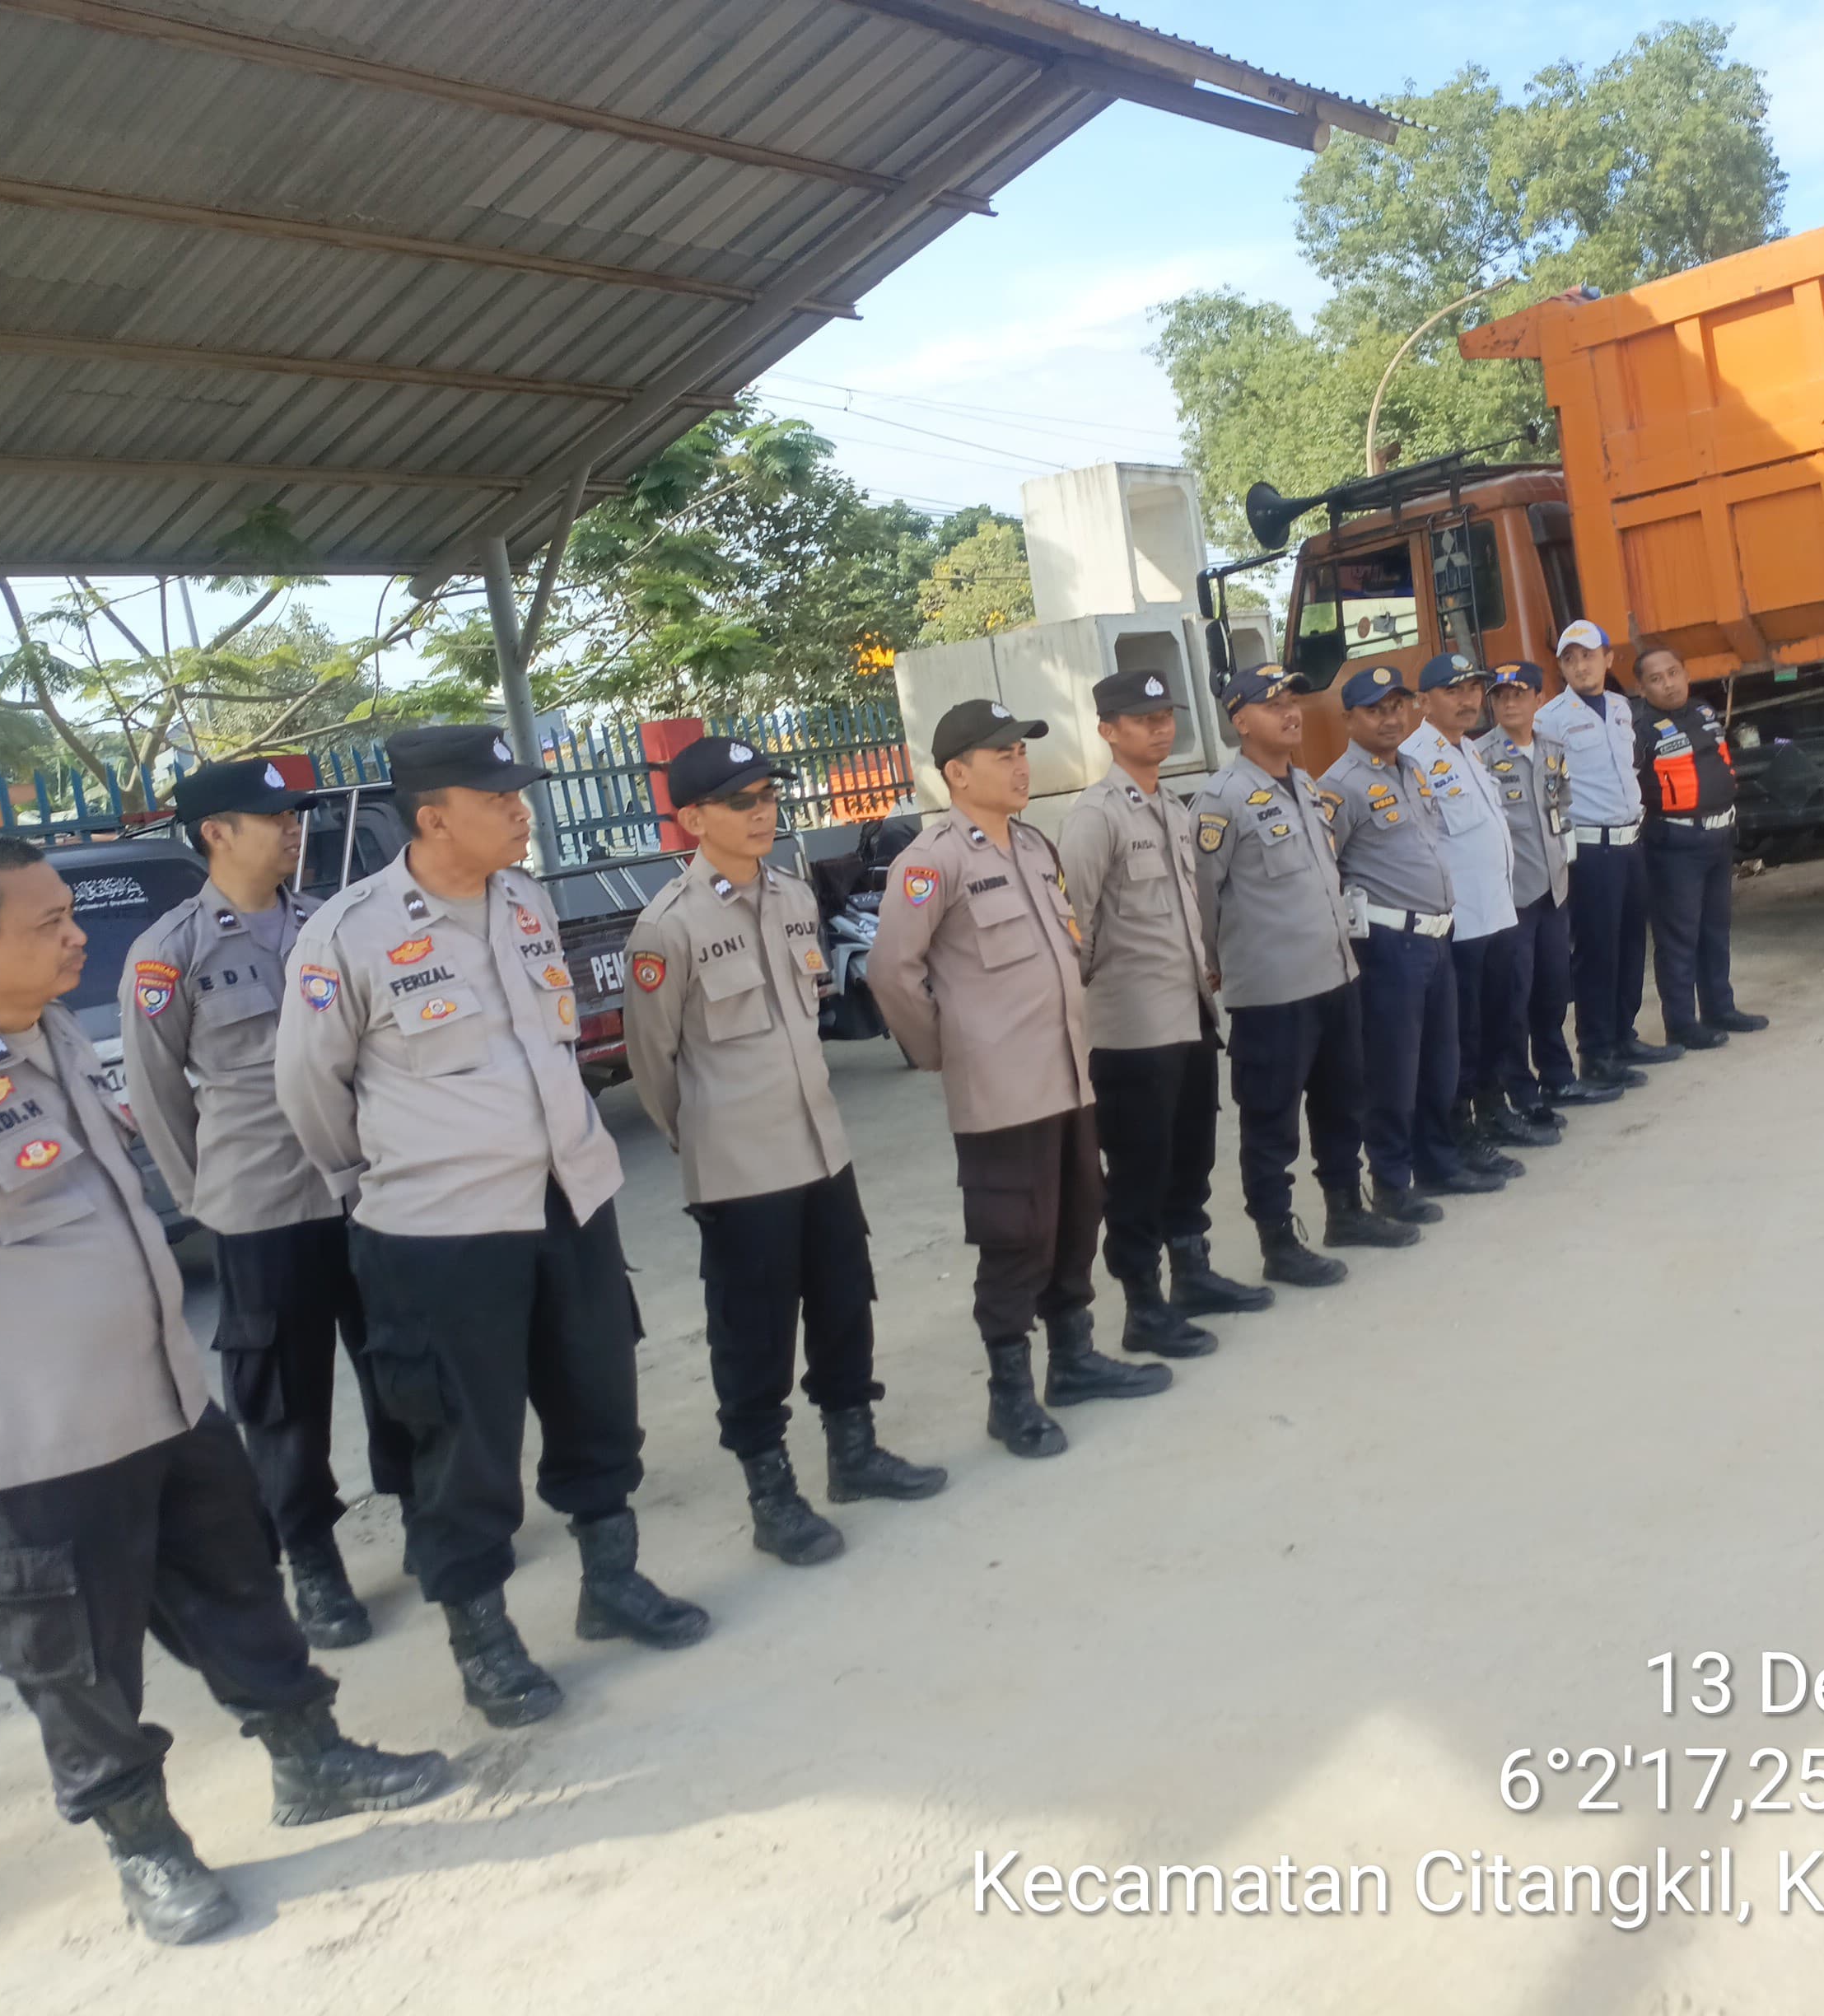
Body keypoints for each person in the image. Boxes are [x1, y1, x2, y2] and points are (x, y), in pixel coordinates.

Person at [0, 834, 449, 1947]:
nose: (76, 938)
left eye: (70, 914)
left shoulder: (51, 1033)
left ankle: (312, 1762)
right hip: (26, 1442)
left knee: (237, 1586)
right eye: (49, 924)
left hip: (158, 1400)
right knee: (75, 1658)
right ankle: (144, 1845)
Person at [278, 724, 706, 1730]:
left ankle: (612, 1583)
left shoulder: (522, 900)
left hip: (569, 1197)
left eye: (519, 794)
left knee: (598, 1399)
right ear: (433, 819)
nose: (522, 811)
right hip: (441, 1232)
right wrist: (384, 1179)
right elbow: (309, 1090)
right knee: (461, 1443)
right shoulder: (347, 935)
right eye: (498, 799)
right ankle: (483, 1642)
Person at [621, 735, 945, 1567]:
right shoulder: (667, 929)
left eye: (768, 796)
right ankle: (771, 1495)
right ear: (694, 819)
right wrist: (705, 1141)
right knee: (753, 1336)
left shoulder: (795, 898)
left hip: (821, 1149)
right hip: (739, 1169)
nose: (762, 812)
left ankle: (854, 1453)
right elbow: (654, 1067)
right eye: (742, 801)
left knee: (844, 1304)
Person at [123, 758, 412, 1650]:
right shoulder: (170, 954)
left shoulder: (330, 925)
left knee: (402, 1362)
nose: (293, 828)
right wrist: (206, 1198)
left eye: (295, 814)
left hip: (362, 1186)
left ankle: (430, 1517)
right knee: (283, 1400)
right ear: (216, 832)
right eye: (272, 816)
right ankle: (314, 1562)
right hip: (262, 1204)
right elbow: (157, 1096)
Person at [872, 698, 1170, 1462]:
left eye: (1021, 751)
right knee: (1014, 1237)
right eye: (1001, 754)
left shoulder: (1035, 847)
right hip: (1001, 1093)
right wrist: (946, 1051)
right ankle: (1011, 1399)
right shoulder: (931, 862)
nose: (1019, 765)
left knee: (1078, 1217)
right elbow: (892, 972)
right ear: (956, 772)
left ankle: (1073, 1360)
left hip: (1069, 1077)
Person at [1058, 668, 1271, 1358]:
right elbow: (1074, 930)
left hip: (1189, 1015)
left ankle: (1192, 1273)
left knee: (1190, 1156)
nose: (1159, 728)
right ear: (1107, 730)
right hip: (1132, 1031)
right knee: (1139, 1169)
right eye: (1142, 719)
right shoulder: (1095, 817)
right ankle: (1143, 1305)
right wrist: (1107, 998)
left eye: (1165, 716)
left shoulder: (1174, 808)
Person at [1188, 665, 1405, 1288]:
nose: (1290, 712)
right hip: (1272, 991)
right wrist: (1217, 962)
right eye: (1271, 703)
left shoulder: (1306, 785)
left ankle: (1345, 1211)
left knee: (1342, 1103)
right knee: (1271, 1122)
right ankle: (1278, 1242)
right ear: (1240, 720)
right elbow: (1200, 898)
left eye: (1292, 700)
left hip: (1334, 975)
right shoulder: (1221, 799)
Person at [1318, 665, 1502, 1219]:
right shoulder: (1338, 787)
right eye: (1375, 709)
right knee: (1393, 1071)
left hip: (1435, 937)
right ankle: (1393, 1183)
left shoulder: (1414, 769)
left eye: (1396, 705)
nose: (1389, 718)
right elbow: (1325, 870)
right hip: (1387, 944)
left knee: (1439, 1062)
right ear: (1348, 719)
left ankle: (1438, 1163)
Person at [1407, 651, 1542, 1166]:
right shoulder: (1415, 757)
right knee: (1461, 1033)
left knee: (1500, 1020)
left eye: (1471, 689)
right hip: (1461, 921)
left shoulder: (1470, 750)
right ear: (1424, 702)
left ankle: (1493, 1109)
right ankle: (1459, 1129)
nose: (1467, 700)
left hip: (1499, 911)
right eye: (1453, 691)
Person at [1473, 662, 1616, 1127]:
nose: (1509, 703)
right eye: (1500, 696)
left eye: (1518, 694)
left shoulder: (1553, 749)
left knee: (1553, 991)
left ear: (1539, 699)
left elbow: (1562, 808)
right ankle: (1521, 1090)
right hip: (1512, 897)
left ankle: (1558, 1076)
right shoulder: (1480, 756)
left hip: (1553, 890)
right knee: (1514, 998)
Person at [1537, 620, 1676, 1085]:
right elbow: (1545, 788)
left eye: (1588, 656)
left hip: (1629, 841)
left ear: (1607, 659)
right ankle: (1596, 1052)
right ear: (1561, 667)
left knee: (1631, 943)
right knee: (1597, 951)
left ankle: (1623, 1035)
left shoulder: (1620, 708)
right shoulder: (1550, 719)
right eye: (1570, 659)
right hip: (1591, 849)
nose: (1581, 666)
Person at [1631, 648, 1770, 1050]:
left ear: (1686, 673)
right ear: (1641, 688)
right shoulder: (1638, 730)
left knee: (1715, 929)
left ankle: (1719, 1008)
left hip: (1718, 836)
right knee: (1679, 937)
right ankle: (1681, 1024)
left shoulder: (1703, 712)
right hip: (1674, 843)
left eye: (1674, 672)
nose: (1668, 683)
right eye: (1656, 678)